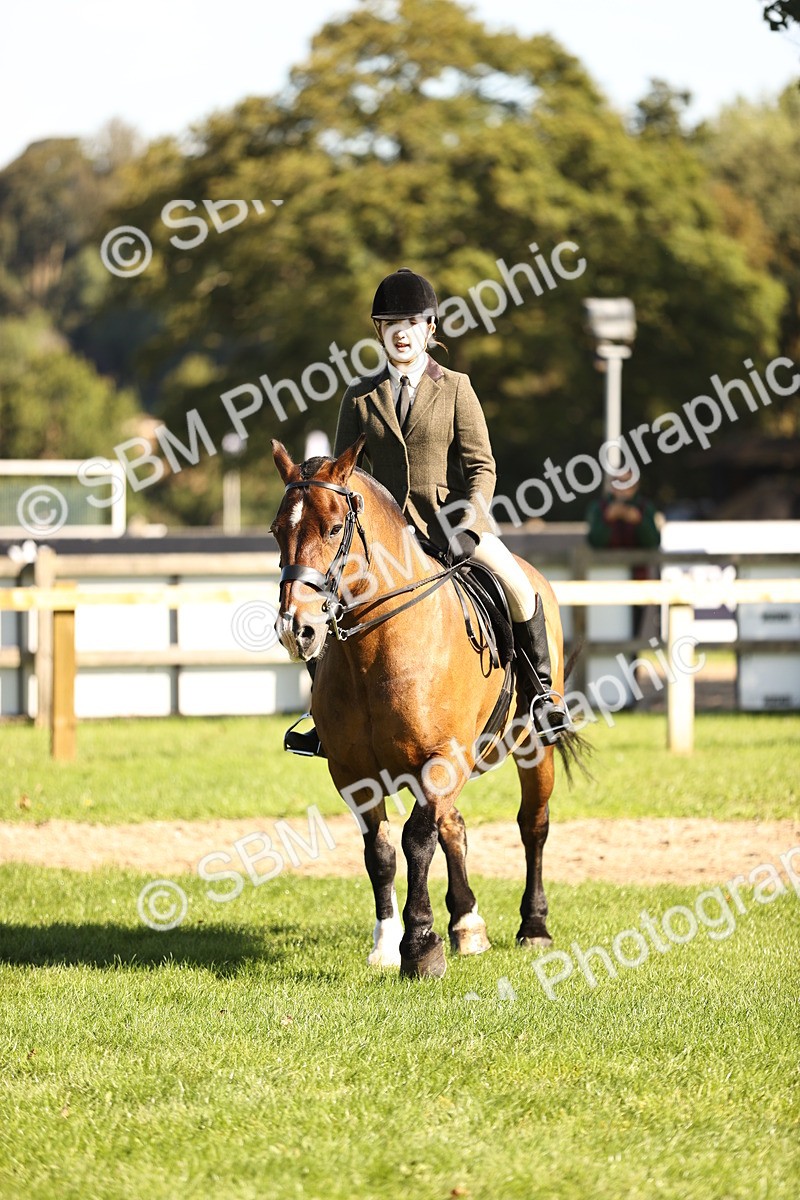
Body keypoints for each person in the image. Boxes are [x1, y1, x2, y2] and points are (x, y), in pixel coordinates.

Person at [284, 267, 571, 755]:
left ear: (429, 329)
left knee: (518, 585)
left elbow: (482, 464)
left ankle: (542, 692)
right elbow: (338, 477)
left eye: (411, 322)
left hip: (451, 524)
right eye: (390, 323)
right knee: (324, 600)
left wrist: (475, 514)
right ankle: (324, 717)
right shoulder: (359, 396)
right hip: (379, 540)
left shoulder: (457, 387)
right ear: (379, 331)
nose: (401, 331)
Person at [585, 469, 660, 550]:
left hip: (638, 561)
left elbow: (653, 543)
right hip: (607, 561)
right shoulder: (599, 507)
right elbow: (594, 543)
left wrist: (640, 522)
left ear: (636, 485)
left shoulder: (645, 507)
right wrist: (607, 521)